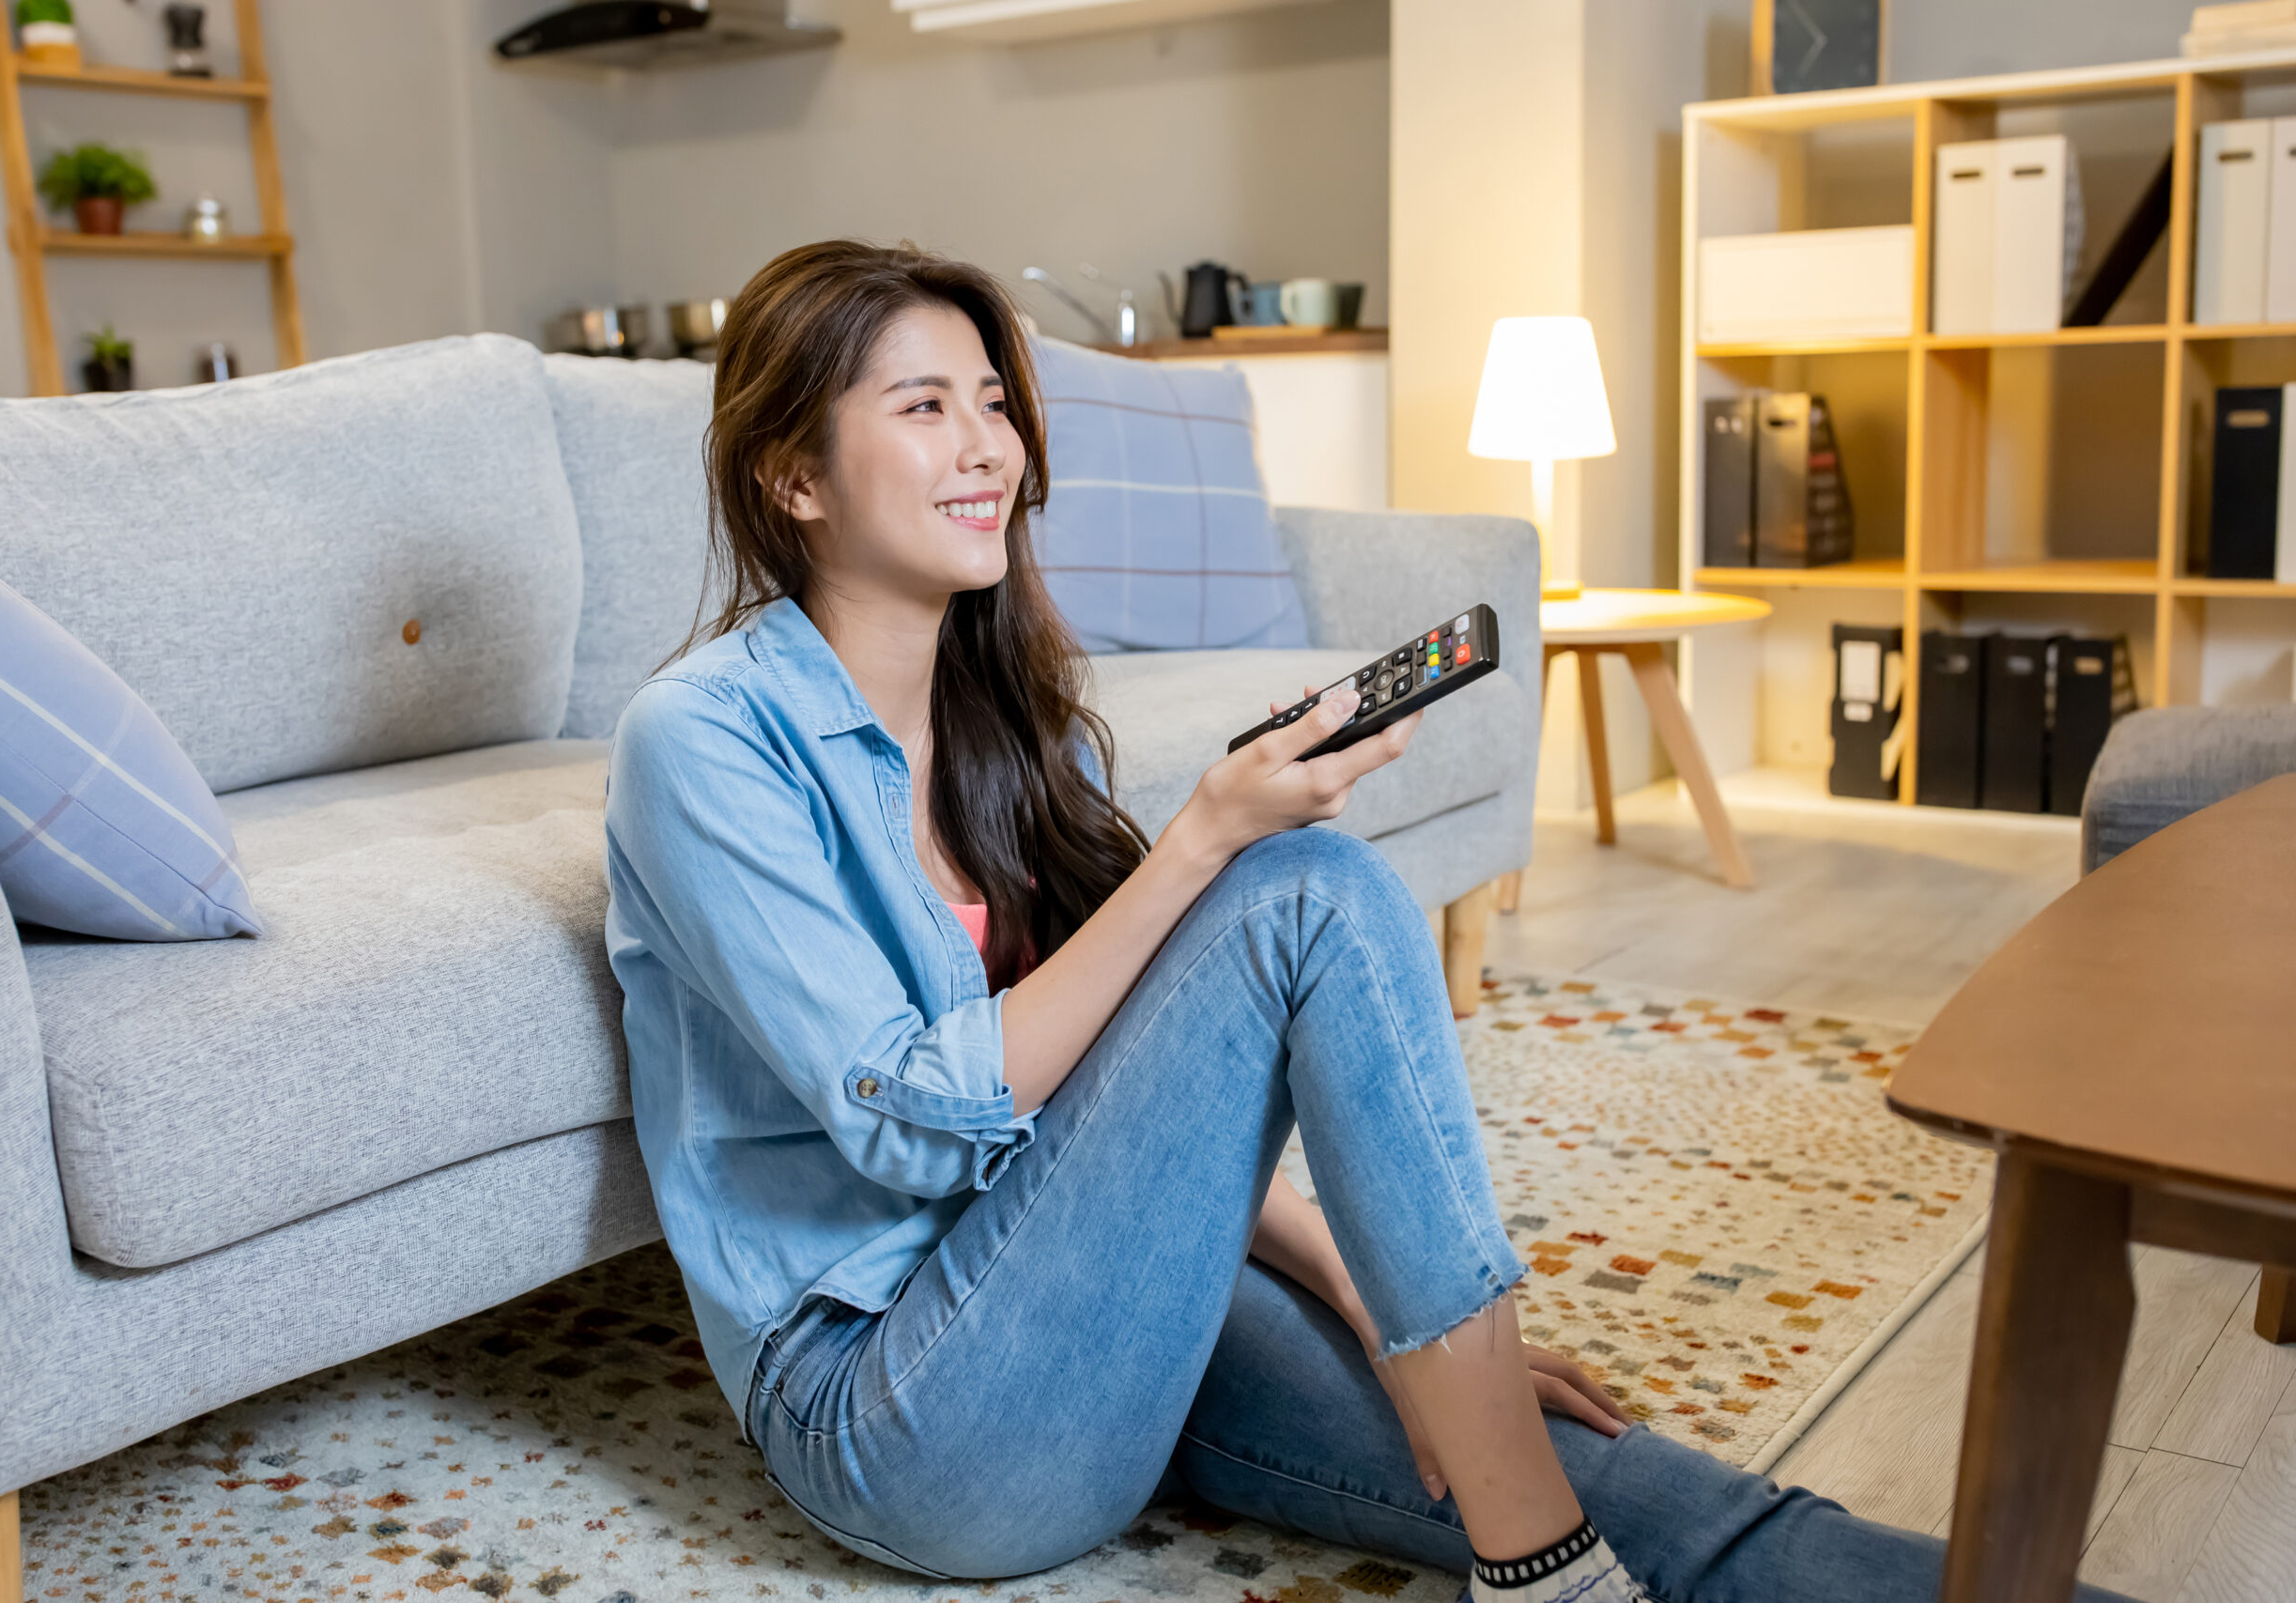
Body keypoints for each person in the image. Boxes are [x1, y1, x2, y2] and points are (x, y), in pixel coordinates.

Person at [603, 239, 2131, 1603]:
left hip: (1075, 1302)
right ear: (793, 477)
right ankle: (1533, 1569)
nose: (987, 444)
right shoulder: (705, 744)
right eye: (923, 406)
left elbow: (1117, 1107)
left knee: (1608, 1470)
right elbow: (926, 1123)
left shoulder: (1012, 721)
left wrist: (1396, 1313)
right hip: (901, 1414)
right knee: (1300, 894)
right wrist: (1202, 836)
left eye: (993, 401)